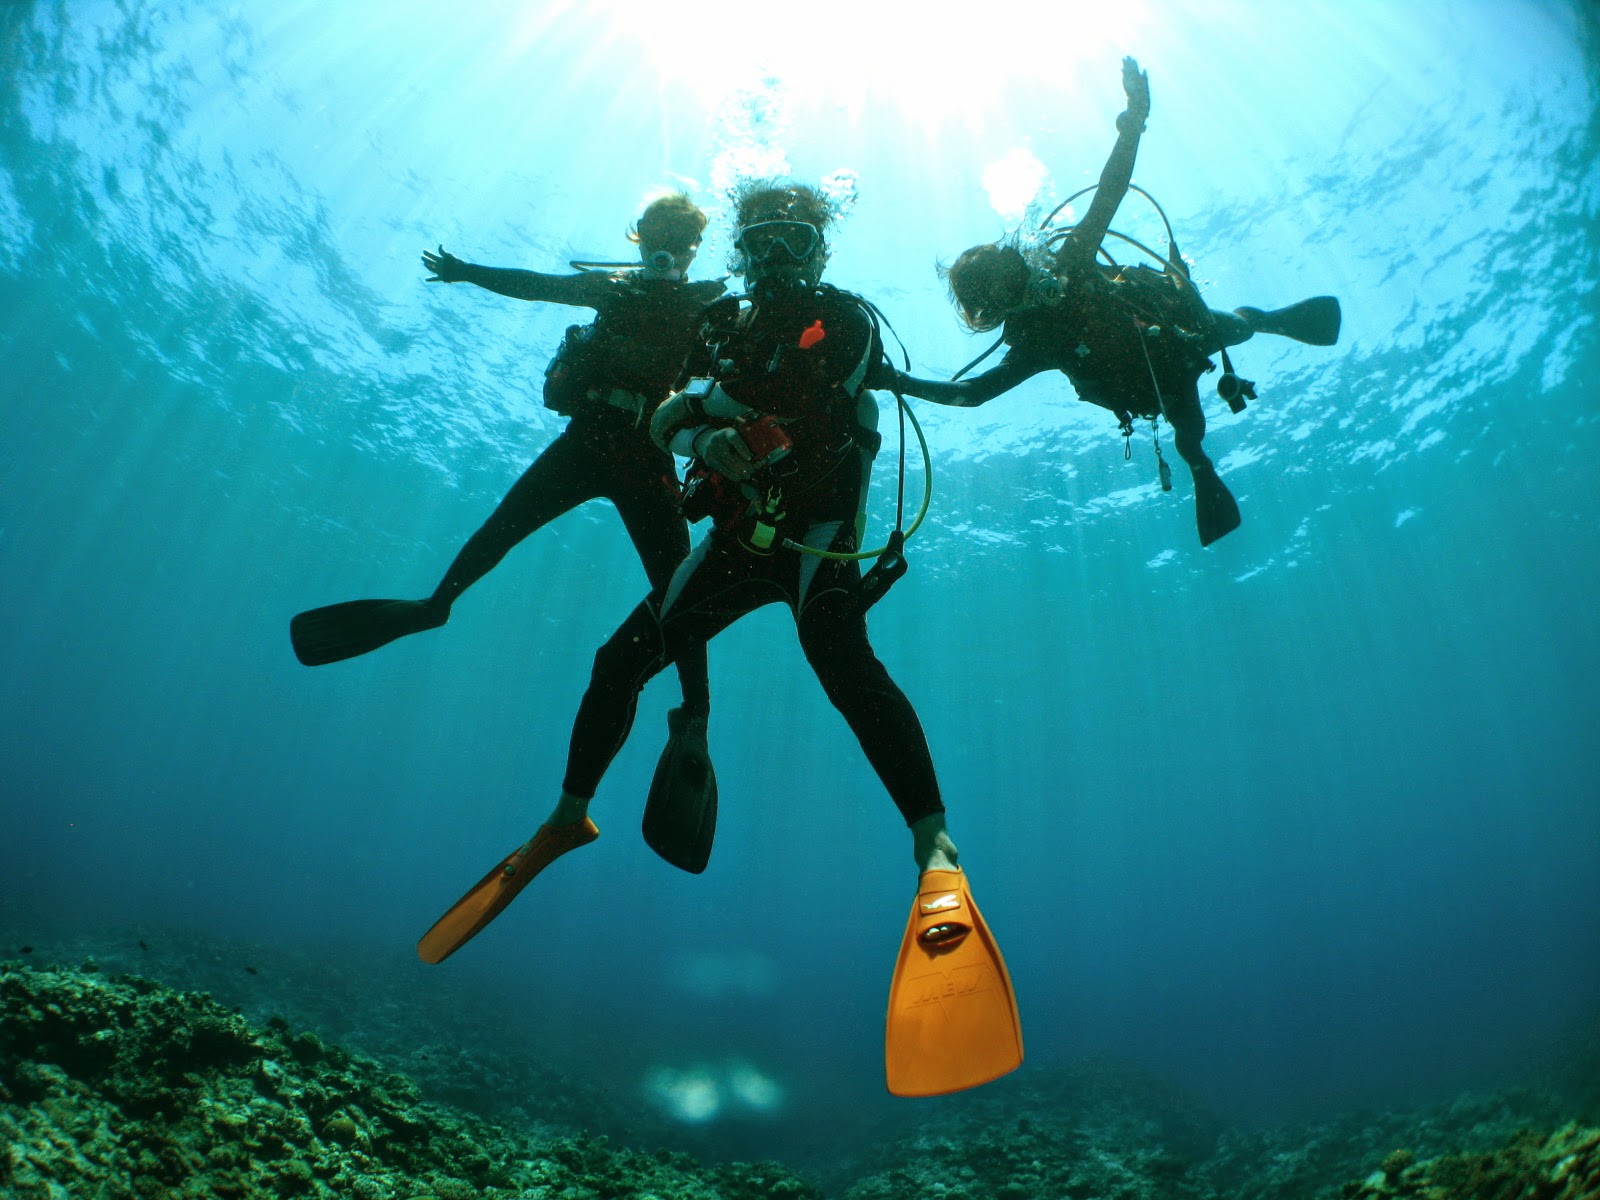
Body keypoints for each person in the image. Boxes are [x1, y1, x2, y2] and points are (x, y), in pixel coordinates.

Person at [414, 180, 1024, 1098]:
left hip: (819, 540)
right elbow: (669, 413)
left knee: (842, 662)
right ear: (741, 250)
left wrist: (710, 418)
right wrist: (699, 439)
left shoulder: (845, 320)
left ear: (819, 253)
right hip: (739, 542)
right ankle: (567, 817)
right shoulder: (723, 327)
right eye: (763, 242)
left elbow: (790, 389)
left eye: (796, 242)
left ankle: (935, 853)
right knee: (618, 662)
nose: (778, 259)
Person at [290, 193, 725, 872]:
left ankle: (695, 714)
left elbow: (743, 369)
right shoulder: (612, 288)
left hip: (646, 455)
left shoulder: (708, 308)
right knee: (501, 530)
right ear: (639, 239)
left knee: (680, 589)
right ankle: (435, 605)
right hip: (588, 441)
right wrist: (467, 271)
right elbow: (535, 285)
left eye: (679, 237)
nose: (666, 248)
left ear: (695, 247)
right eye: (656, 235)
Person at [896, 57, 1341, 546]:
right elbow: (975, 393)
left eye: (1009, 263)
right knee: (1190, 440)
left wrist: (1134, 119)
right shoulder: (1032, 342)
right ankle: (1200, 467)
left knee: (1237, 329)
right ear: (994, 305)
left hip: (1177, 334)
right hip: (1152, 386)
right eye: (1001, 281)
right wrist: (896, 381)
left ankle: (1268, 321)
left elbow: (1111, 190)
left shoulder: (1069, 262)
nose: (1016, 272)